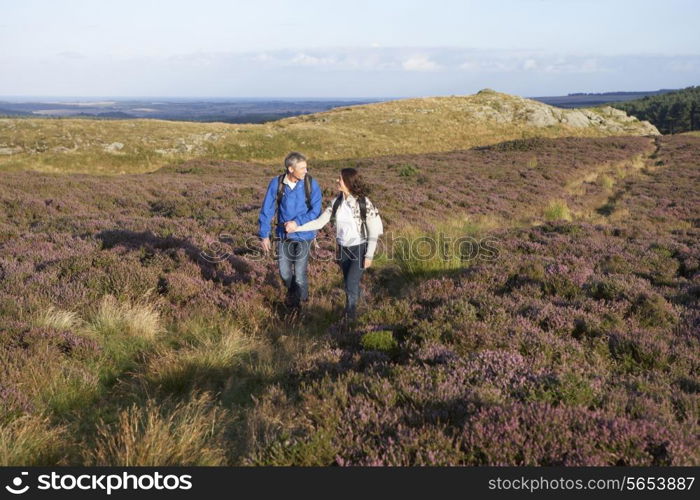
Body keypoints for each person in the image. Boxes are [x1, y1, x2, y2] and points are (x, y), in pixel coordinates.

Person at [286, 168, 383, 321]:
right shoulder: (336, 203)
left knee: (350, 283)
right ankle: (364, 304)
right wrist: (297, 227)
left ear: (348, 182)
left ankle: (350, 319)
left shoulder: (364, 203)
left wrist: (369, 255)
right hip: (343, 249)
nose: (337, 181)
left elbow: (374, 231)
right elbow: (319, 222)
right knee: (350, 282)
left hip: (360, 248)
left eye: (340, 179)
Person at [258, 152, 322, 309]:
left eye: (306, 167)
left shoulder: (311, 183)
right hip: (283, 236)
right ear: (290, 169)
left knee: (300, 274)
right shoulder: (277, 183)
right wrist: (264, 235)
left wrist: (297, 223)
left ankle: (302, 306)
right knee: (285, 273)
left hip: (305, 235)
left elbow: (316, 210)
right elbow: (267, 209)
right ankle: (295, 296)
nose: (306, 171)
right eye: (302, 168)